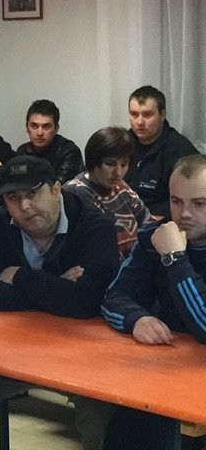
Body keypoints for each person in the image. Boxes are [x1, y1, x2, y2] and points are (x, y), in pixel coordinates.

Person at [0, 155, 120, 450]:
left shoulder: (94, 226)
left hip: (85, 356)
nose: (24, 206)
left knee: (108, 407)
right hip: (13, 348)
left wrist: (19, 276)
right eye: (13, 198)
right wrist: (53, 288)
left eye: (33, 193)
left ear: (56, 190)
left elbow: (85, 302)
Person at [101, 154, 206, 448]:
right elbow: (114, 297)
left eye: (200, 204)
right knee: (124, 426)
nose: (184, 214)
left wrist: (174, 258)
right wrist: (137, 319)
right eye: (176, 201)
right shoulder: (155, 237)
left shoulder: (167, 247)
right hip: (169, 368)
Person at [64, 126, 152, 260]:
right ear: (93, 162)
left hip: (136, 260)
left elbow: (147, 221)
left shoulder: (120, 186)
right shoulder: (75, 192)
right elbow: (101, 242)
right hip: (106, 264)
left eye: (124, 165)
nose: (118, 173)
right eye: (110, 164)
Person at [125, 85, 200, 218]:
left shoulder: (180, 149)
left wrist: (151, 219)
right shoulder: (121, 143)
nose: (139, 122)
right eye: (134, 114)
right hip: (120, 216)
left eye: (147, 114)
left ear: (162, 115)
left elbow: (190, 199)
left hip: (159, 220)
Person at [16, 99, 84, 183]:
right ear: (27, 127)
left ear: (56, 129)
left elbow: (56, 188)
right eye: (34, 126)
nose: (39, 133)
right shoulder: (22, 151)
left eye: (46, 127)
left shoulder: (68, 152)